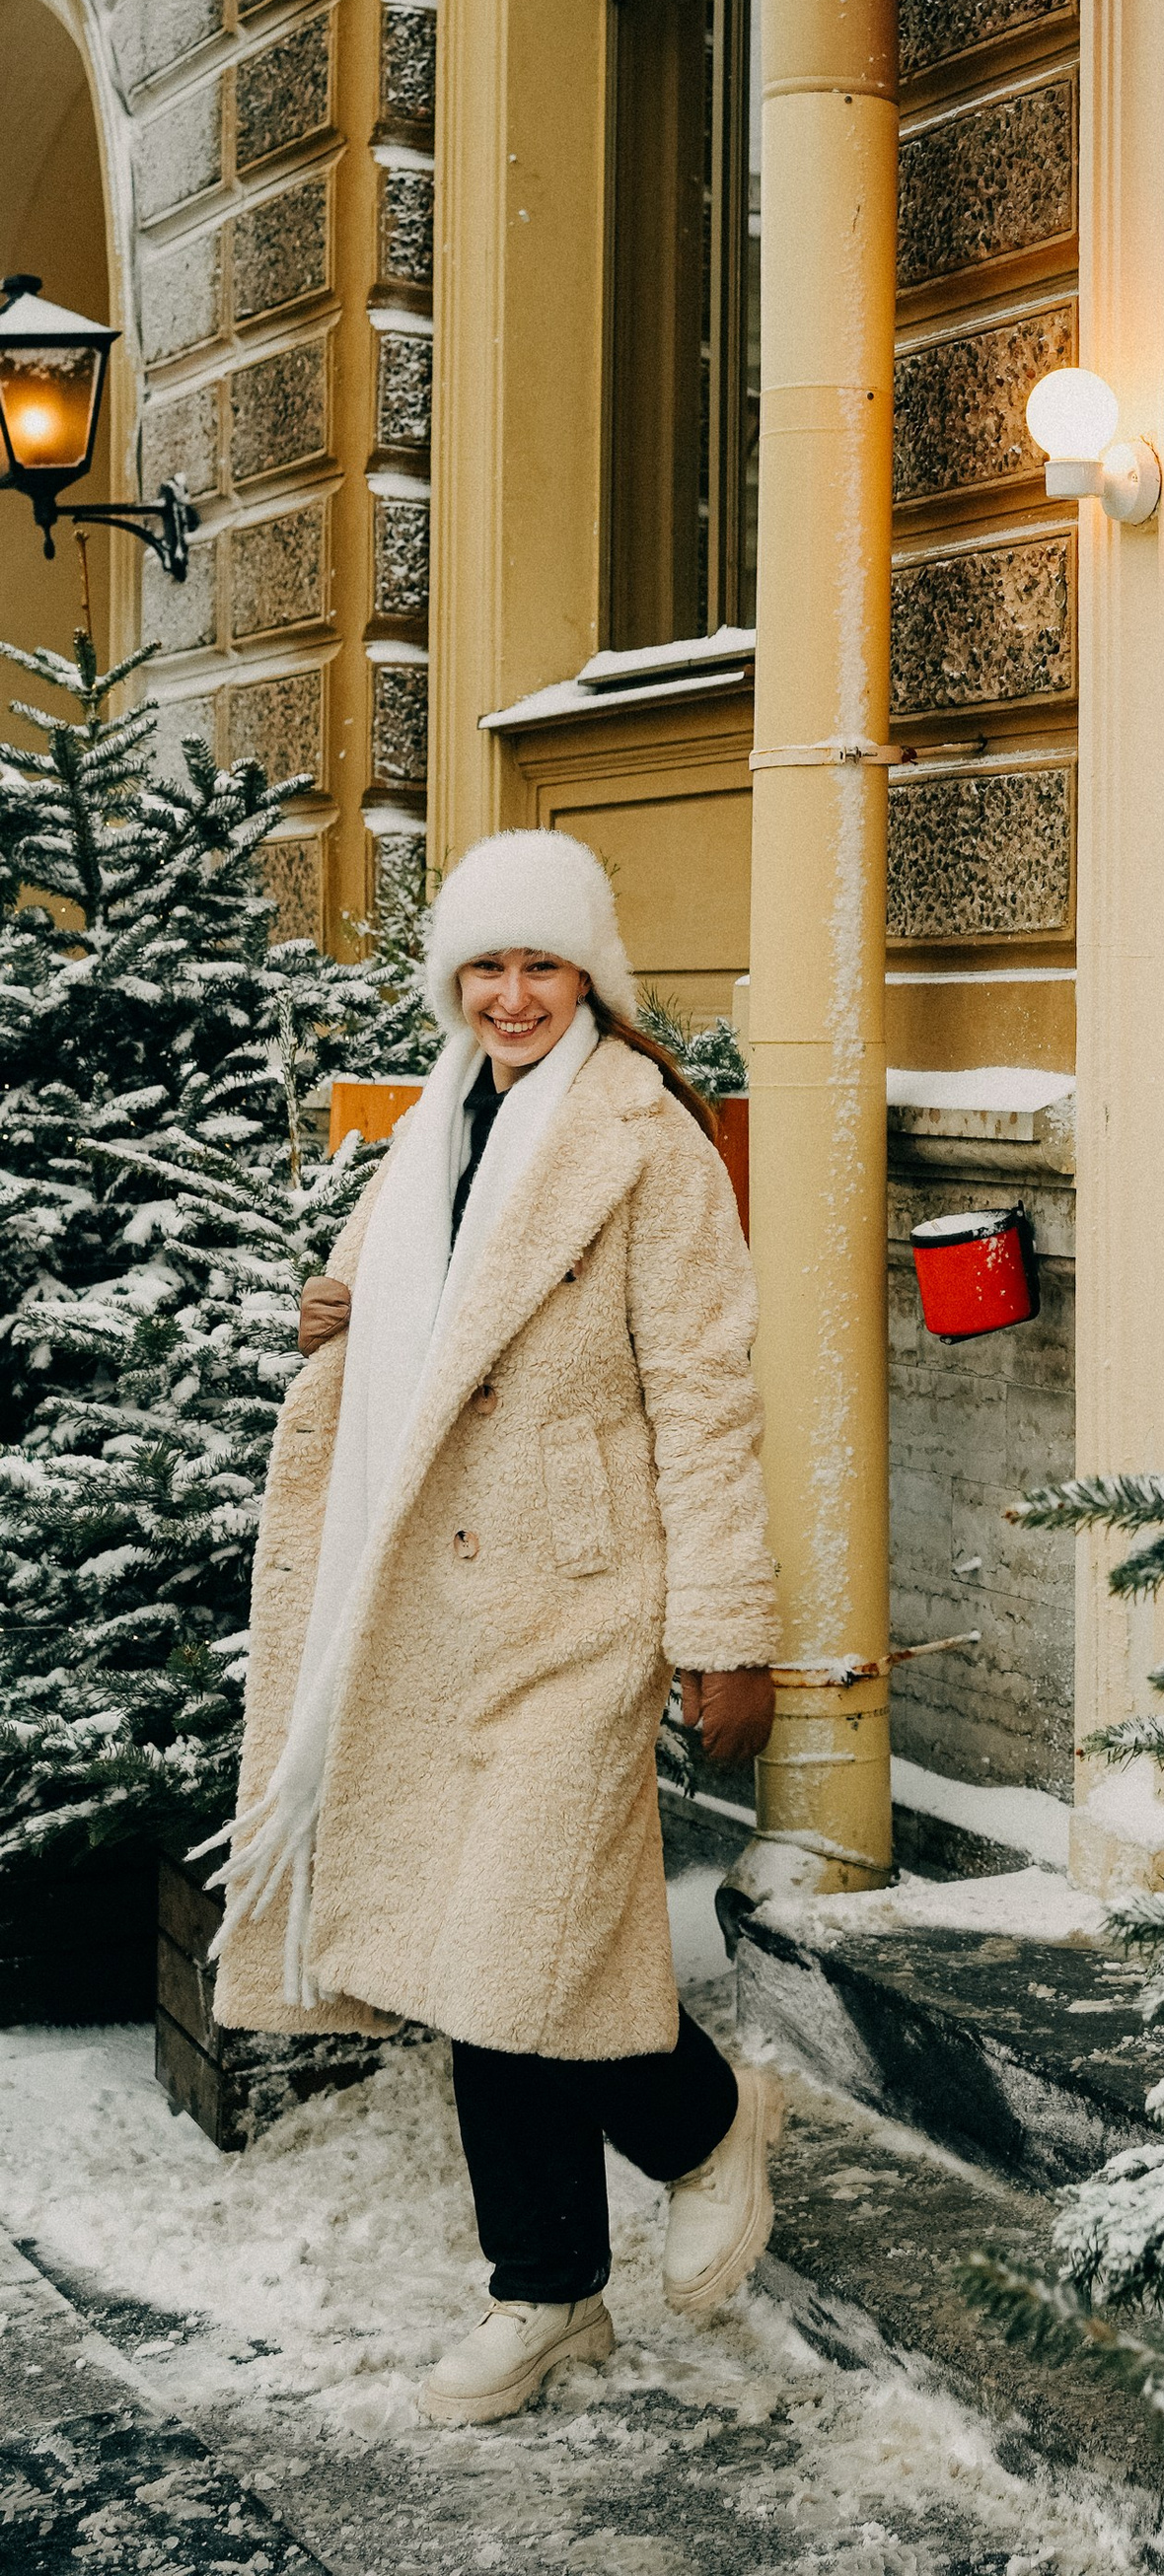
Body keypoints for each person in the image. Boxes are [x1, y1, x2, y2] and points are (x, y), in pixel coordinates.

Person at [209, 830, 787, 2428]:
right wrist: (333, 1311)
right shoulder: (433, 1130)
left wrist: (727, 1634)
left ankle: (702, 2126)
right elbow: (412, 1317)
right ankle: (550, 2298)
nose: (514, 994)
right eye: (487, 966)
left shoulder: (643, 1144)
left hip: (578, 1601)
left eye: (542, 965)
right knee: (490, 1966)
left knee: (524, 1944)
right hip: (426, 1604)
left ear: (589, 976)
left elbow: (707, 1397)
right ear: (452, 983)